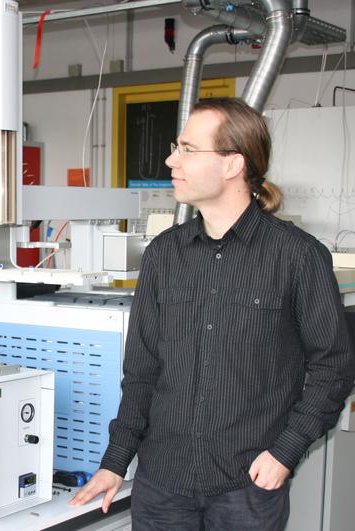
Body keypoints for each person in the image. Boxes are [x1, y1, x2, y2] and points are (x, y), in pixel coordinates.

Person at [69, 98, 354, 530]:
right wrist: (115, 461)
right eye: (175, 146)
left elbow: (333, 368)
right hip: (162, 486)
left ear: (232, 164)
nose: (171, 159)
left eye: (187, 148)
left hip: (246, 488)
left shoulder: (298, 257)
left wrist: (285, 452)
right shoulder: (164, 255)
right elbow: (142, 371)